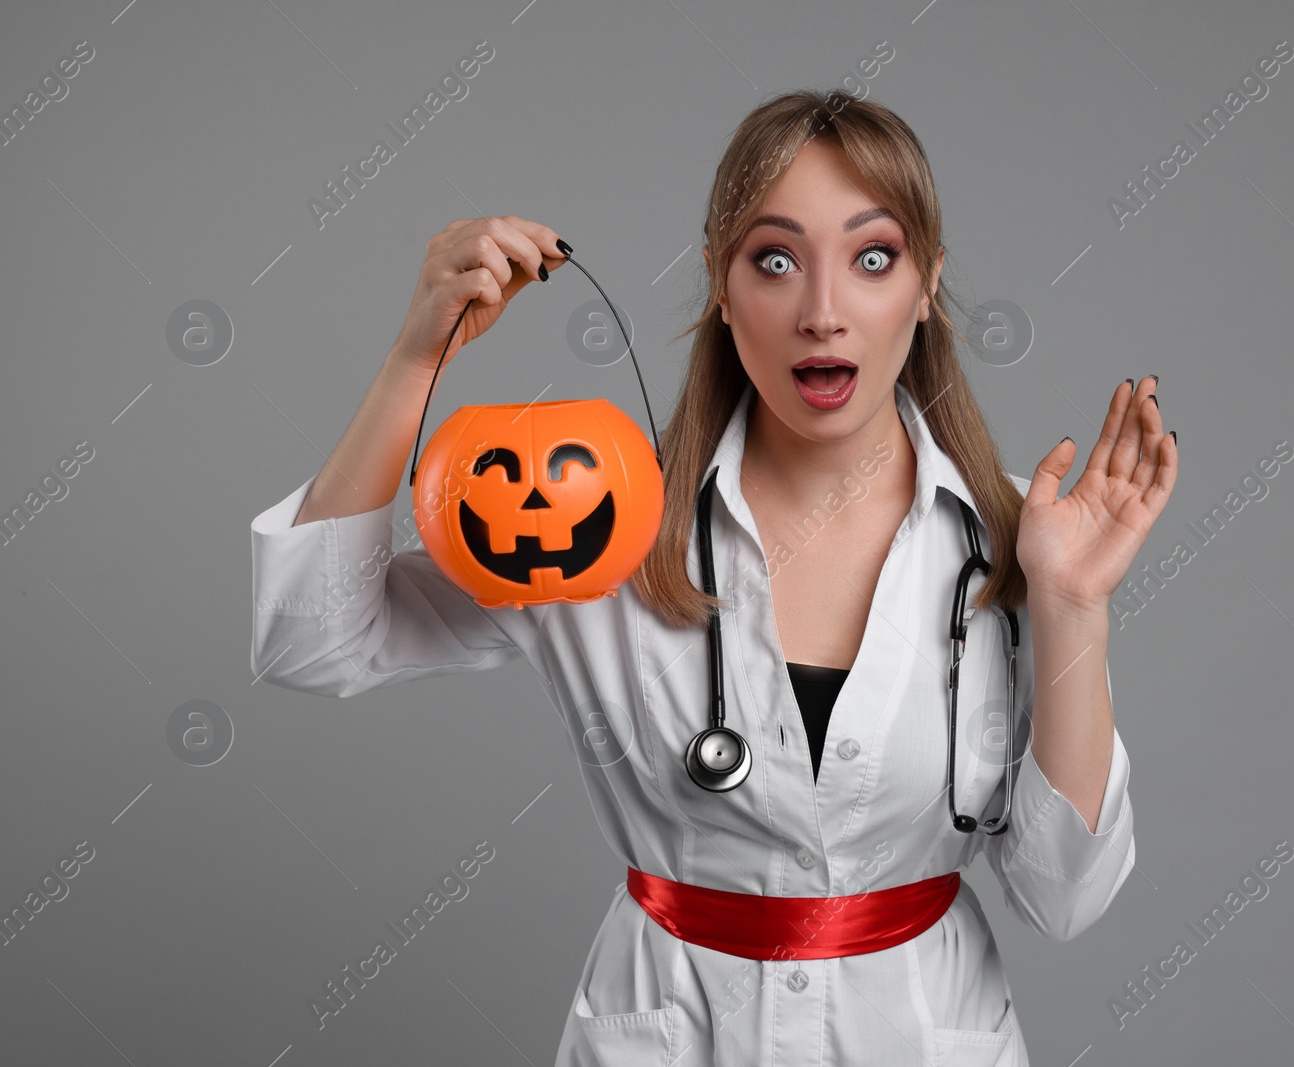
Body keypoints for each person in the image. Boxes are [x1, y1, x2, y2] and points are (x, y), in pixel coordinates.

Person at [250, 88, 1176, 1066]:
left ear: (926, 284)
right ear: (721, 286)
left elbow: (1063, 896)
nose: (822, 313)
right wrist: (415, 358)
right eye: (775, 260)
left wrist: (1071, 608)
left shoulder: (1021, 537)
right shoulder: (590, 518)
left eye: (872, 258)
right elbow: (311, 639)